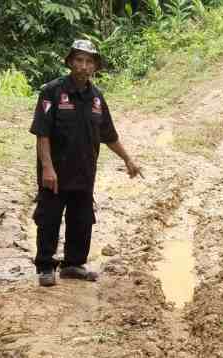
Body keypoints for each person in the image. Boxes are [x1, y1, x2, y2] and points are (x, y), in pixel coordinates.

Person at [29, 39, 142, 287]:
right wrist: (47, 167)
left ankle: (73, 265)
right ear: (70, 62)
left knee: (81, 219)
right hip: (55, 172)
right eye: (78, 60)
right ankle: (46, 266)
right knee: (48, 217)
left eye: (89, 61)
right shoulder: (52, 92)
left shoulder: (97, 99)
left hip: (84, 172)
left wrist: (128, 160)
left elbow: (109, 135)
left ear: (95, 67)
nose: (83, 65)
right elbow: (42, 133)